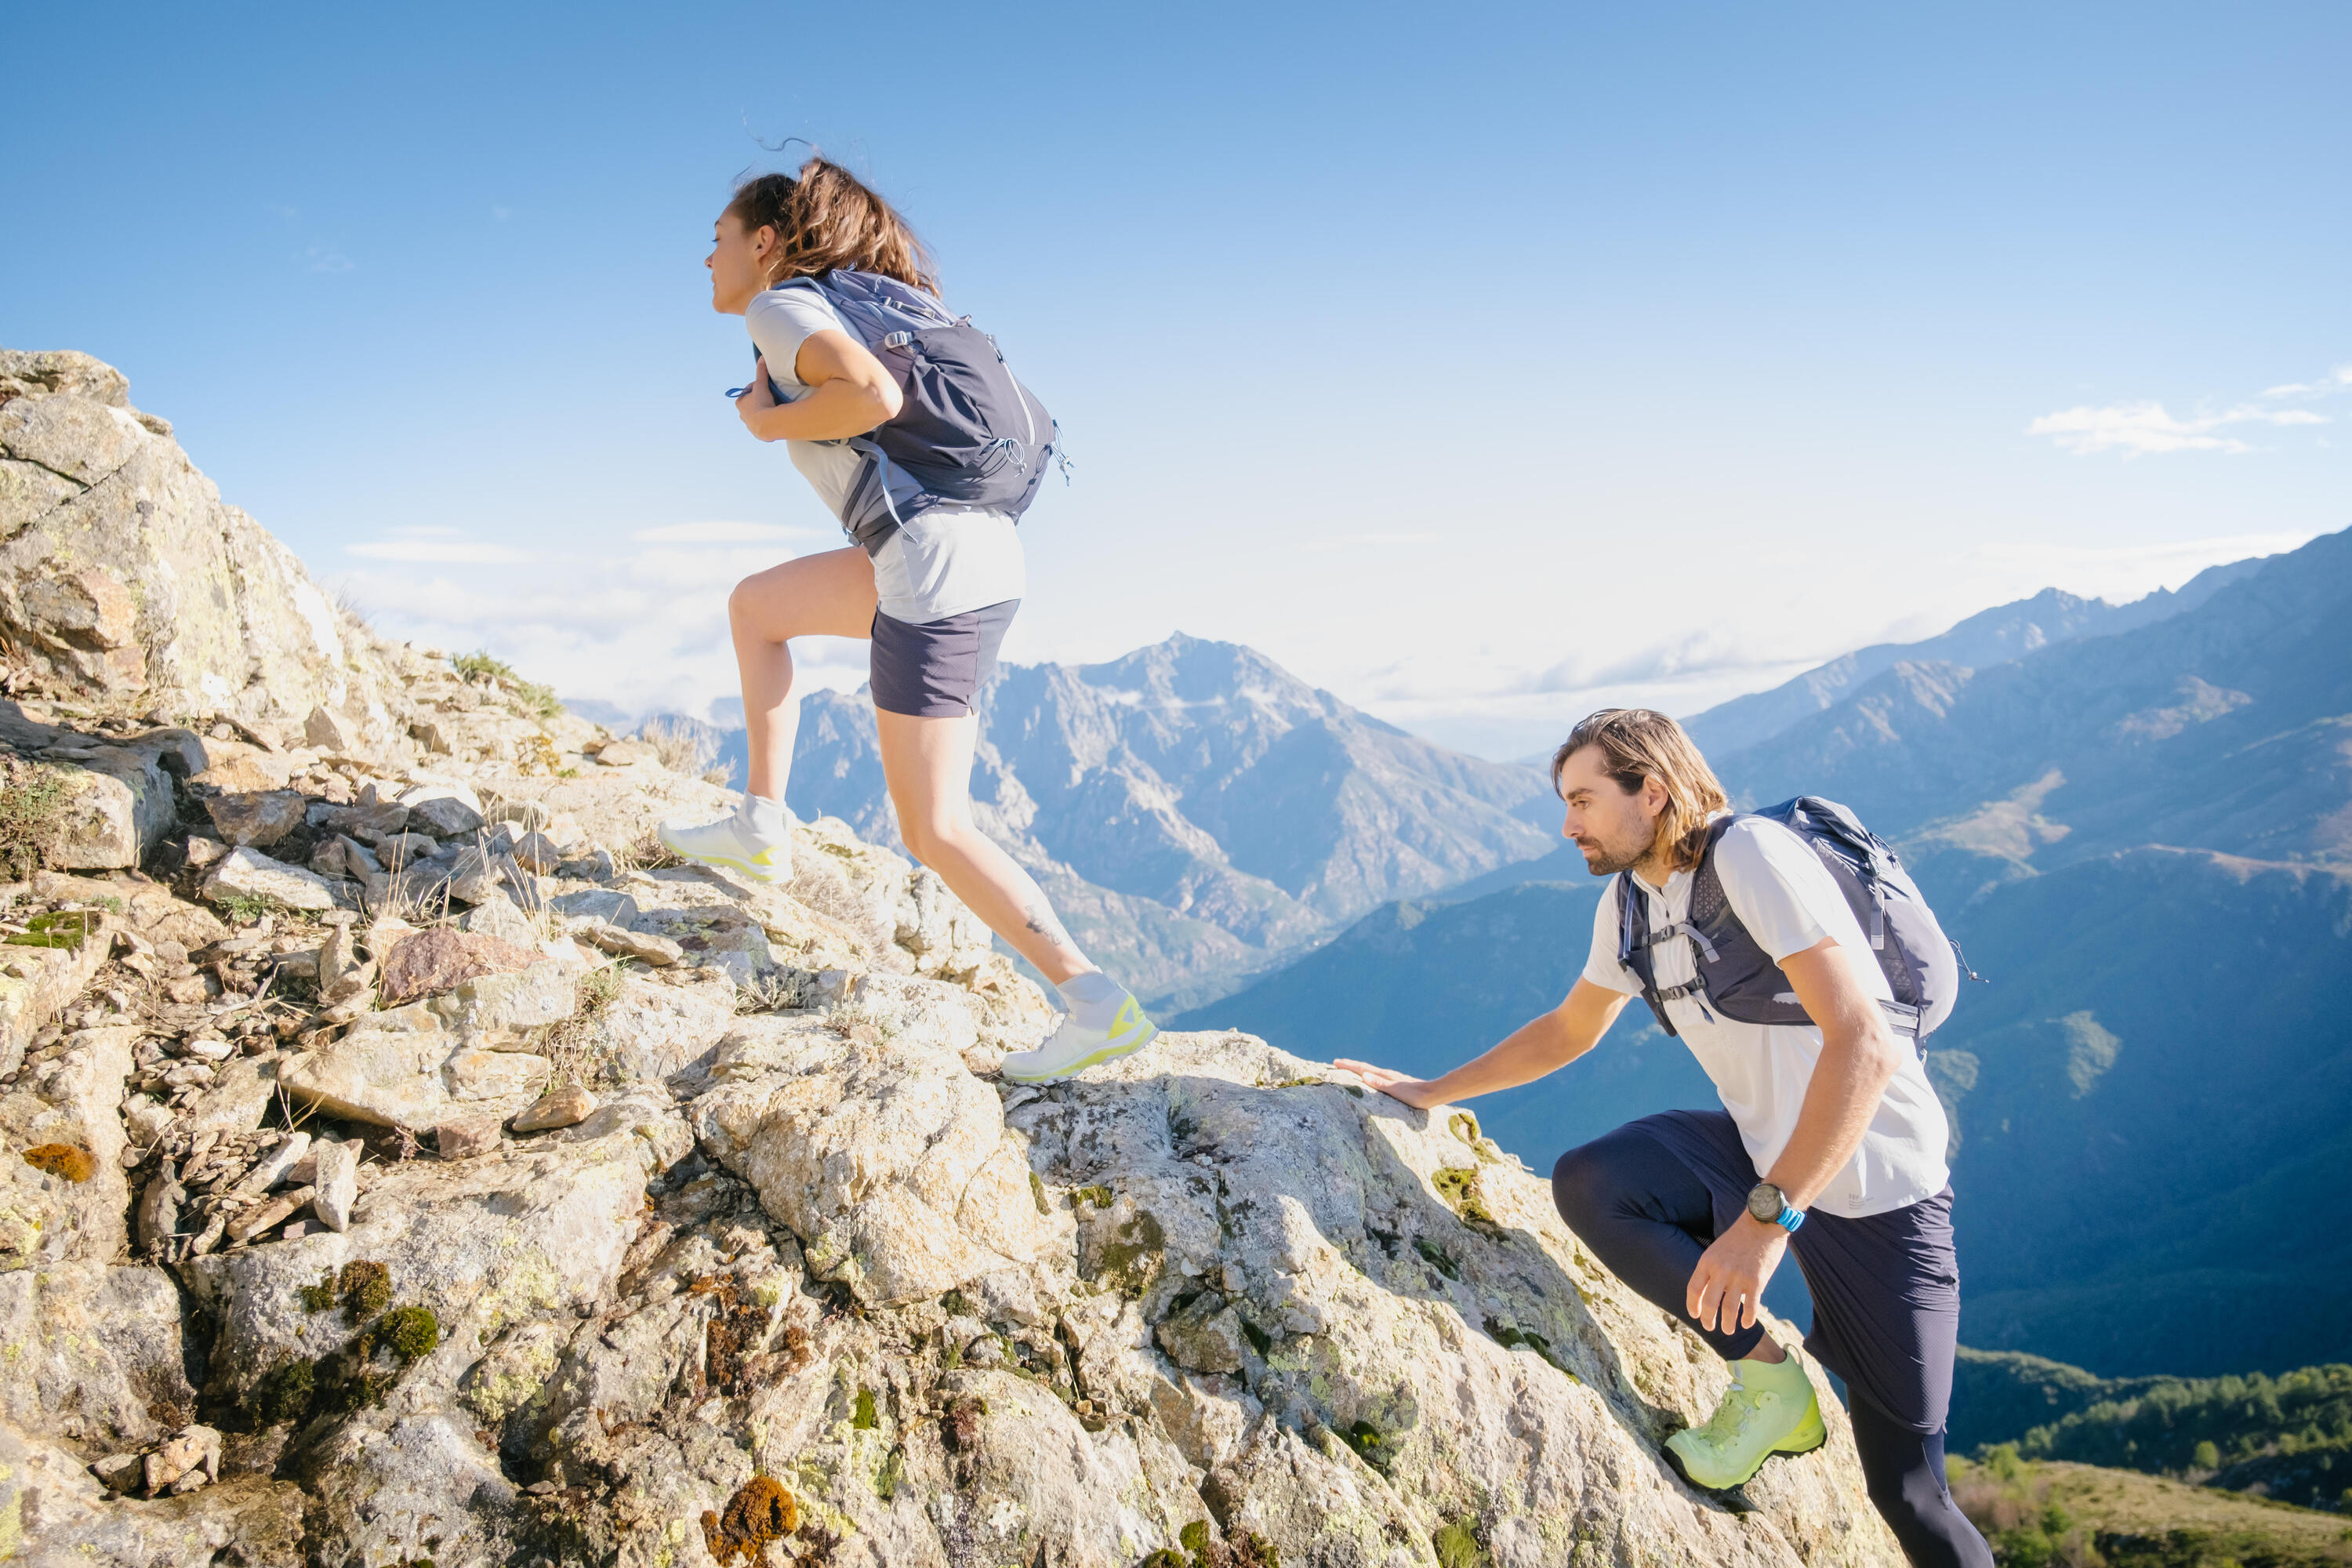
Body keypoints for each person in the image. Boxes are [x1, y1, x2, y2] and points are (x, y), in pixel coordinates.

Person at [1334, 708, 1991, 1568]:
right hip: (1765, 1156)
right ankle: (1770, 1382)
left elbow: (1863, 1044)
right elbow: (1570, 1029)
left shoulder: (1751, 857)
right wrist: (1428, 1090)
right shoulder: (1633, 903)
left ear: (1654, 790)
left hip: (1878, 1192)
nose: (1567, 824)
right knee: (1597, 1181)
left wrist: (1763, 1223)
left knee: (1908, 1491)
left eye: (1583, 799)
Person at [663, 157, 1156, 1085]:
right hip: (949, 548)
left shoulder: (785, 307)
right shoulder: (881, 303)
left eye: (718, 241)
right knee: (757, 608)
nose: (707, 260)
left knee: (935, 826)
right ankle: (761, 822)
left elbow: (876, 398)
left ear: (764, 242)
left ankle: (1095, 1001)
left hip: (933, 561)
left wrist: (767, 426)